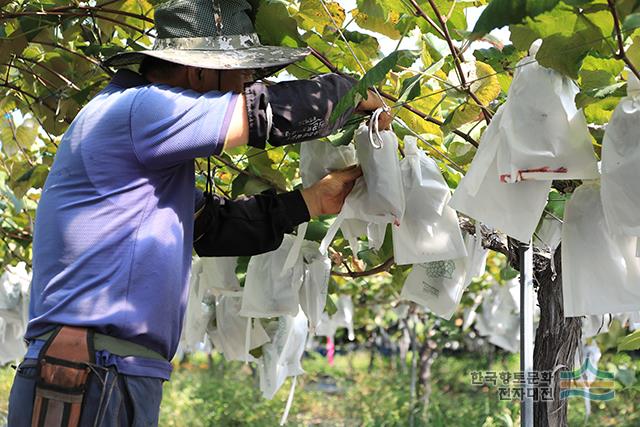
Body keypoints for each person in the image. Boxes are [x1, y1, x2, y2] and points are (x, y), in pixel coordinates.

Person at [7, 0, 391, 425]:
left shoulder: (153, 153)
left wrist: (311, 202)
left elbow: (212, 230)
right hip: (87, 371)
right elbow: (267, 113)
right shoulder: (142, 109)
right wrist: (354, 95)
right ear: (200, 71)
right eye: (242, 74)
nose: (247, 84)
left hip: (108, 370)